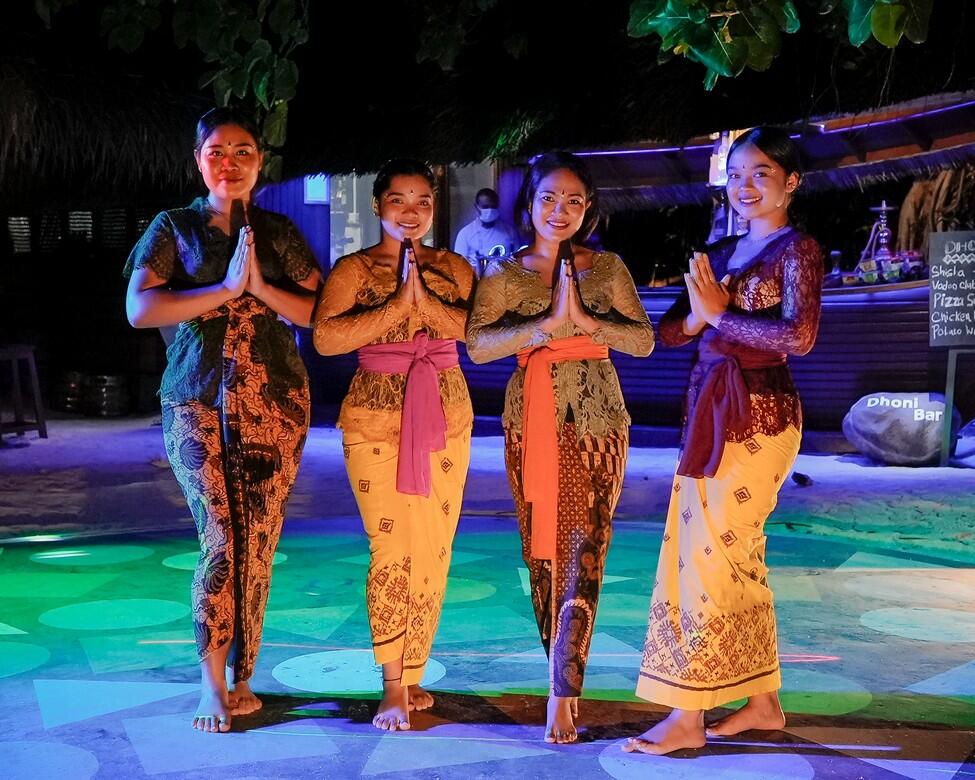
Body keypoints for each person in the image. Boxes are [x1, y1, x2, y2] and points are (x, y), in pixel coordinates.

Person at [625, 126, 823, 755]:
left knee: (708, 559)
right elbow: (671, 333)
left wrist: (718, 314)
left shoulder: (798, 249)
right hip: (709, 411)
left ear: (791, 183)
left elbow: (799, 336)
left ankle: (688, 714)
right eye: (736, 175)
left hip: (759, 416)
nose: (746, 186)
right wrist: (698, 313)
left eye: (761, 173)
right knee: (733, 556)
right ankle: (762, 703)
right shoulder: (720, 250)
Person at [124, 107, 320, 733]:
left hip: (276, 401)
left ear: (260, 162)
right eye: (216, 151)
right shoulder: (173, 227)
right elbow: (140, 308)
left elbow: (320, 312)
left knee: (258, 540)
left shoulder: (279, 231)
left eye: (242, 152)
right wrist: (226, 290)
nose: (229, 163)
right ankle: (211, 683)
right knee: (221, 537)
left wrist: (259, 288)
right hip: (197, 397)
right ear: (198, 160)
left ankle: (244, 677)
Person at [466, 152, 654, 743]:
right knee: (541, 552)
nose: (560, 210)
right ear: (530, 203)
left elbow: (643, 341)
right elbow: (477, 346)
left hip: (598, 424)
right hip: (532, 422)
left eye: (574, 200)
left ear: (588, 208)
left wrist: (587, 323)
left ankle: (563, 694)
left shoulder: (608, 268)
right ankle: (559, 674)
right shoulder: (504, 273)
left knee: (585, 549)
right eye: (549, 198)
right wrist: (544, 326)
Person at [313, 158, 475, 732]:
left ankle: (414, 669)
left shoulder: (453, 267)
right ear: (378, 205)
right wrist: (396, 309)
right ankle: (391, 684)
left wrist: (423, 303)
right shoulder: (354, 269)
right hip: (375, 419)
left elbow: (478, 336)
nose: (411, 212)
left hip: (447, 415)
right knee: (391, 546)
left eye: (423, 201)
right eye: (399, 200)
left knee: (433, 547)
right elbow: (326, 338)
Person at [453, 187, 521, 276]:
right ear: (477, 207)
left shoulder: (509, 231)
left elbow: (518, 260)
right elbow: (458, 266)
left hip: (504, 280)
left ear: (498, 205)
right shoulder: (465, 234)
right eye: (485, 207)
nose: (490, 210)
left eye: (493, 206)